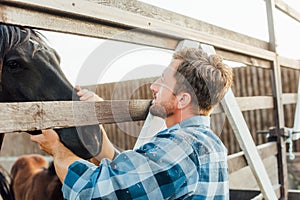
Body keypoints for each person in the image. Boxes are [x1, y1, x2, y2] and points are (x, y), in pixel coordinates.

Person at [31, 47, 233, 199]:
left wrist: (57, 149)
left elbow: (92, 190)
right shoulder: (211, 144)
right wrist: (98, 118)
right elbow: (136, 174)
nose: (153, 86)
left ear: (182, 100)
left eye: (162, 81)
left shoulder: (180, 147)